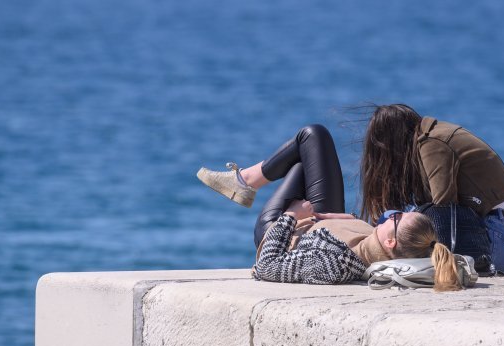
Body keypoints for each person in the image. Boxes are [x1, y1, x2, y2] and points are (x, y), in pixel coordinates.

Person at [197, 124, 463, 290]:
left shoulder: (334, 264)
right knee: (314, 140)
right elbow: (365, 242)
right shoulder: (378, 242)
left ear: (391, 243)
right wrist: (346, 219)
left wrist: (291, 216)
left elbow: (267, 267)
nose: (390, 213)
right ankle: (243, 181)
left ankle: (243, 182)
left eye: (395, 218)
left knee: (304, 154)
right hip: (323, 219)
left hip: (279, 232)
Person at [359, 104, 504, 272]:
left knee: (413, 230)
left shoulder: (433, 143)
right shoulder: (431, 136)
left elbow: (442, 212)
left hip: (497, 242)